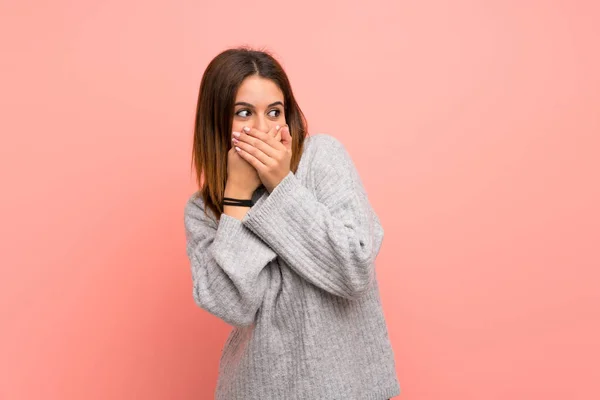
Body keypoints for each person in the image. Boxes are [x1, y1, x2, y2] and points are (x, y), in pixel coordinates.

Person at [183, 47, 400, 400]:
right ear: (217, 122)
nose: (262, 128)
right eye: (243, 113)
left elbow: (354, 269)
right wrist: (237, 199)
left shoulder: (322, 158)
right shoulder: (204, 210)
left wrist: (280, 186)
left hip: (351, 389)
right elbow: (232, 307)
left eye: (274, 112)